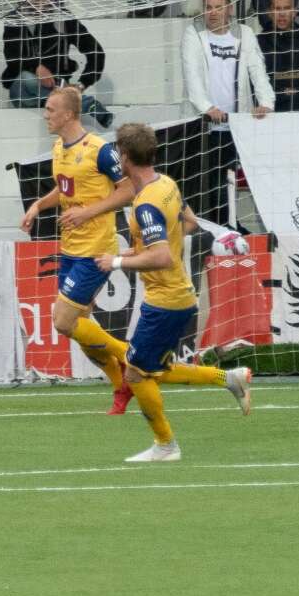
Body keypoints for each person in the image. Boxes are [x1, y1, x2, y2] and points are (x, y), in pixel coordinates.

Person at [76, 122, 254, 463]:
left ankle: (166, 445)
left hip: (166, 300)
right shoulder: (166, 184)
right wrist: (138, 249)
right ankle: (230, 379)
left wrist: (117, 261)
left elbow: (161, 256)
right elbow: (188, 223)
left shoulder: (145, 203)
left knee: (135, 372)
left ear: (125, 157)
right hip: (177, 294)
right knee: (156, 369)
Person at [17, 87, 137, 412]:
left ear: (69, 114)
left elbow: (128, 190)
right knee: (80, 328)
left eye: (50, 109)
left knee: (62, 321)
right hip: (70, 247)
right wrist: (38, 206)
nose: (45, 114)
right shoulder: (59, 147)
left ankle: (130, 356)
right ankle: (121, 385)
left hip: (96, 250)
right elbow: (65, 188)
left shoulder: (100, 150)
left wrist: (87, 212)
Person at [181, 0, 275, 226]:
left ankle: (230, 226)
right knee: (208, 182)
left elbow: (257, 70)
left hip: (235, 124)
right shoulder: (193, 34)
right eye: (208, 7)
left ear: (230, 9)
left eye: (218, 7)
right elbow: (191, 75)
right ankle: (217, 228)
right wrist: (207, 107)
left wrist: (266, 102)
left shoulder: (244, 33)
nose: (213, 13)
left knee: (230, 179)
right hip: (204, 125)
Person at [3, 0, 111, 124]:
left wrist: (81, 85)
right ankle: (86, 104)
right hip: (25, 94)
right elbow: (12, 58)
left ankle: (70, 98)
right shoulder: (14, 18)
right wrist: (36, 68)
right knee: (27, 78)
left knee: (58, 94)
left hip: (58, 91)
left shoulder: (64, 18)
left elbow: (97, 53)